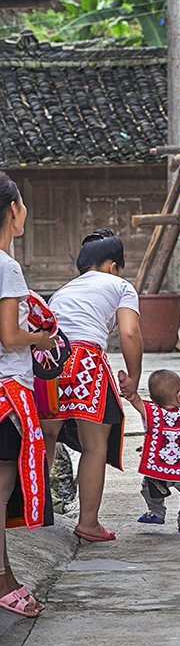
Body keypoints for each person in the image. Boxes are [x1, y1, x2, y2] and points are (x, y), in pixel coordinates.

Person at [40, 229, 143, 542]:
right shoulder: (121, 285)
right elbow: (129, 334)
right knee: (94, 445)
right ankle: (88, 523)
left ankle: (33, 513)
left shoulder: (62, 291)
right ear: (114, 266)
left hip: (48, 360)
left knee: (46, 437)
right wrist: (134, 378)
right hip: (86, 361)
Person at [0, 174, 55, 617]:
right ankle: (4, 579)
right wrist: (38, 338)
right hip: (7, 393)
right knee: (0, 494)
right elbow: (10, 335)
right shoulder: (7, 266)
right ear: (13, 208)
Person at [121, 369, 180, 533]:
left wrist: (128, 390)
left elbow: (135, 399)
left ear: (152, 399)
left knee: (149, 489)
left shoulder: (152, 413)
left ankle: (156, 513)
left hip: (159, 472)